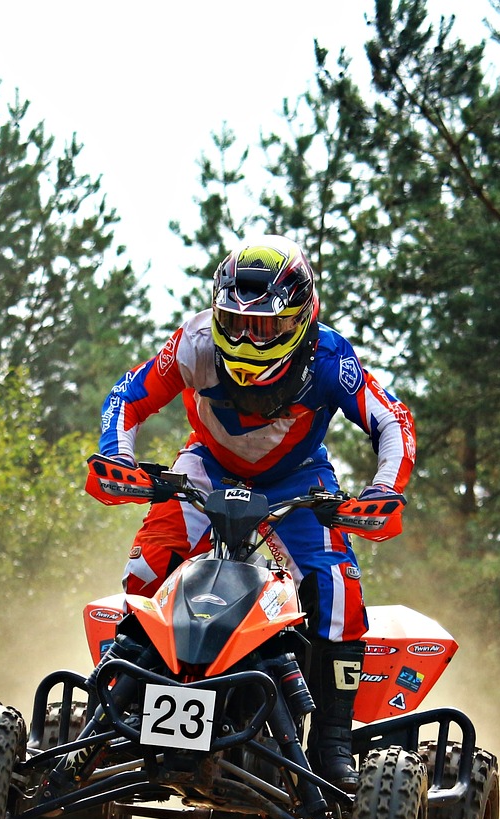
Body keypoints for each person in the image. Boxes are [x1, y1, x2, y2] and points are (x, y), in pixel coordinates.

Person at [85, 233, 415, 788]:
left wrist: (384, 489)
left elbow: (392, 421)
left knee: (337, 589)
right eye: (233, 322)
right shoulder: (194, 343)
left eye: (262, 327)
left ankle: (332, 744)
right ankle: (113, 708)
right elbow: (129, 395)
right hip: (206, 467)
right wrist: (118, 457)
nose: (244, 337)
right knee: (146, 567)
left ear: (300, 319)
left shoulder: (331, 356)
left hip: (300, 481)